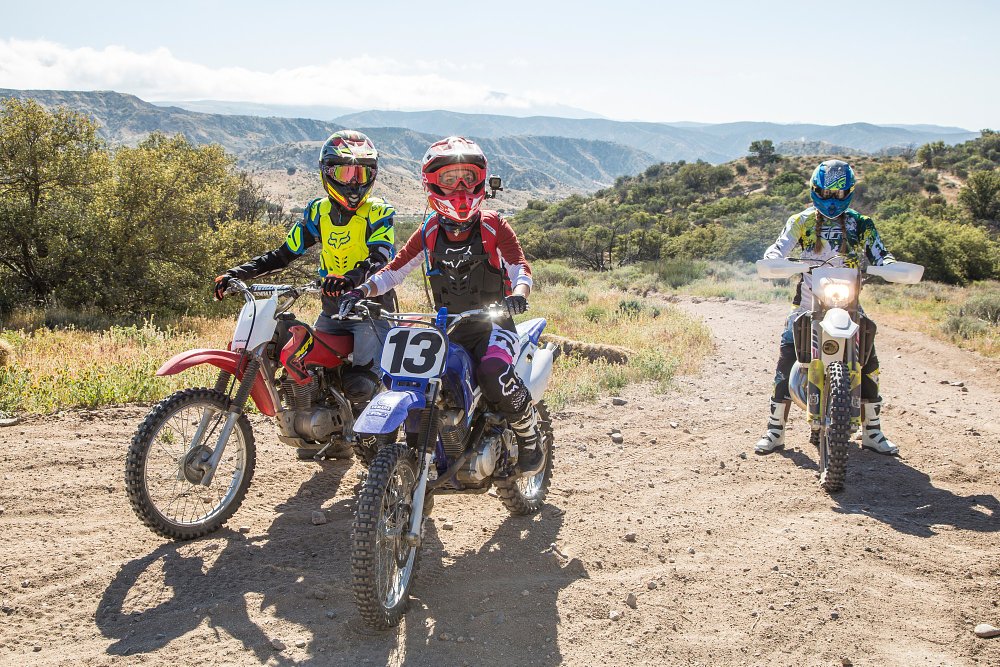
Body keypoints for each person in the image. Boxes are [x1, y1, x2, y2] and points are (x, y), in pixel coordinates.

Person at [338, 136, 544, 476]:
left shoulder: (493, 225)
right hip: (449, 328)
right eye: (450, 179)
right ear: (432, 183)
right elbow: (394, 271)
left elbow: (519, 266)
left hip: (495, 324)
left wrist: (519, 293)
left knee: (493, 369)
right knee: (411, 377)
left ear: (481, 179)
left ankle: (528, 434)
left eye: (468, 177)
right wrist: (361, 291)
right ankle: (419, 457)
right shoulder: (429, 230)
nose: (460, 187)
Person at [214, 130, 396, 447]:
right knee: (309, 368)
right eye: (346, 173)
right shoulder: (318, 212)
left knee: (361, 385)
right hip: (332, 310)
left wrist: (351, 279)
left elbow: (381, 257)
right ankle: (325, 437)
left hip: (371, 310)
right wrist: (237, 272)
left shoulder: (378, 211)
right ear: (328, 173)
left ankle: (381, 454)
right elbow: (284, 254)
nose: (354, 182)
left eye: (362, 174)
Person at [755, 159, 899, 456]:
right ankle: (775, 430)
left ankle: (872, 431)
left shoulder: (862, 223)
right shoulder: (801, 221)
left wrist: (888, 265)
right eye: (826, 193)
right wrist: (773, 259)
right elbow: (779, 246)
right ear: (815, 190)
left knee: (869, 359)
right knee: (787, 354)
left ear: (849, 192)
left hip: (849, 305)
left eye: (839, 193)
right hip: (808, 303)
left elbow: (880, 253)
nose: (832, 199)